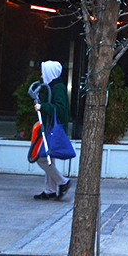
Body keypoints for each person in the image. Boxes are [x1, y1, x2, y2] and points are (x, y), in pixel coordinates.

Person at [33, 60, 72, 200]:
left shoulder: (57, 88)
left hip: (53, 129)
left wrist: (42, 107)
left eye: (44, 73)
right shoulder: (53, 87)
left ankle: (63, 181)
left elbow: (60, 109)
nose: (42, 76)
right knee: (49, 159)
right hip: (51, 128)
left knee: (42, 159)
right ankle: (50, 189)